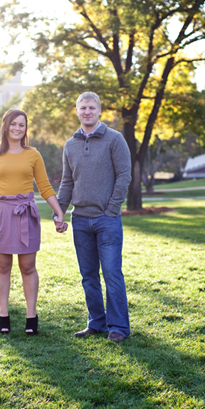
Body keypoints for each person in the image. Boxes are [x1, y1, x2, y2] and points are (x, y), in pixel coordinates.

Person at [55, 91, 132, 343]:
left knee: (111, 274)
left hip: (106, 220)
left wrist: (112, 209)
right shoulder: (70, 145)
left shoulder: (115, 139)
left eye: (91, 107)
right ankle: (96, 323)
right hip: (80, 220)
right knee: (88, 276)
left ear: (99, 111)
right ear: (76, 111)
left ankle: (118, 326)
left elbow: (124, 175)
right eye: (82, 108)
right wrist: (60, 211)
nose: (87, 111)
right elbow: (67, 181)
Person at [0, 108, 66, 335]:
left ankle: (31, 316)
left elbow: (45, 186)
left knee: (27, 267)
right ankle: (3, 314)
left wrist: (59, 213)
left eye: (22, 125)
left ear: (25, 129)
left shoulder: (33, 155)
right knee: (3, 266)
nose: (18, 128)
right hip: (0, 213)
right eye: (14, 124)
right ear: (6, 126)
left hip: (26, 213)